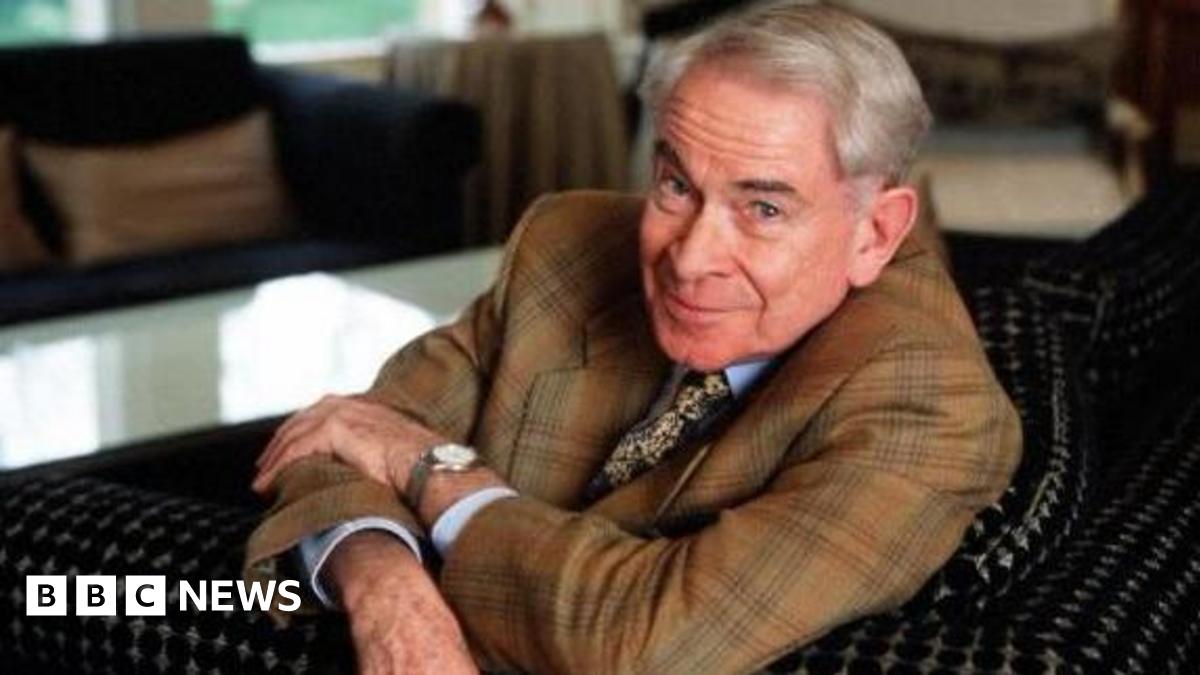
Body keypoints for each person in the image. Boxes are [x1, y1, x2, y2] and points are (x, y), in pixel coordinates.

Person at [246, 3, 1022, 673]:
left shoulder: (930, 402)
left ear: (875, 233)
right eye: (677, 185)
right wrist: (385, 584)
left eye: (764, 210)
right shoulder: (566, 243)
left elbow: (636, 645)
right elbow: (338, 435)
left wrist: (430, 471)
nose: (690, 256)